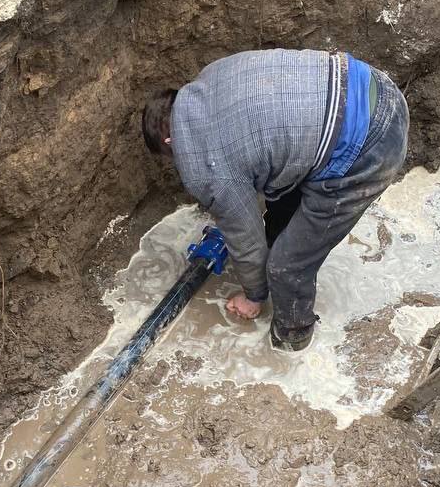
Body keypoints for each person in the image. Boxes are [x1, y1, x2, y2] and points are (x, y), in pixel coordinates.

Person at [142, 47, 410, 350]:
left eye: (172, 156)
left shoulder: (203, 164)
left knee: (286, 267)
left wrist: (253, 296)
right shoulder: (211, 79)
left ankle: (292, 342)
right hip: (370, 84)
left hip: (368, 147)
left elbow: (245, 237)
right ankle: (278, 252)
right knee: (283, 204)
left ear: (169, 141)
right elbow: (271, 151)